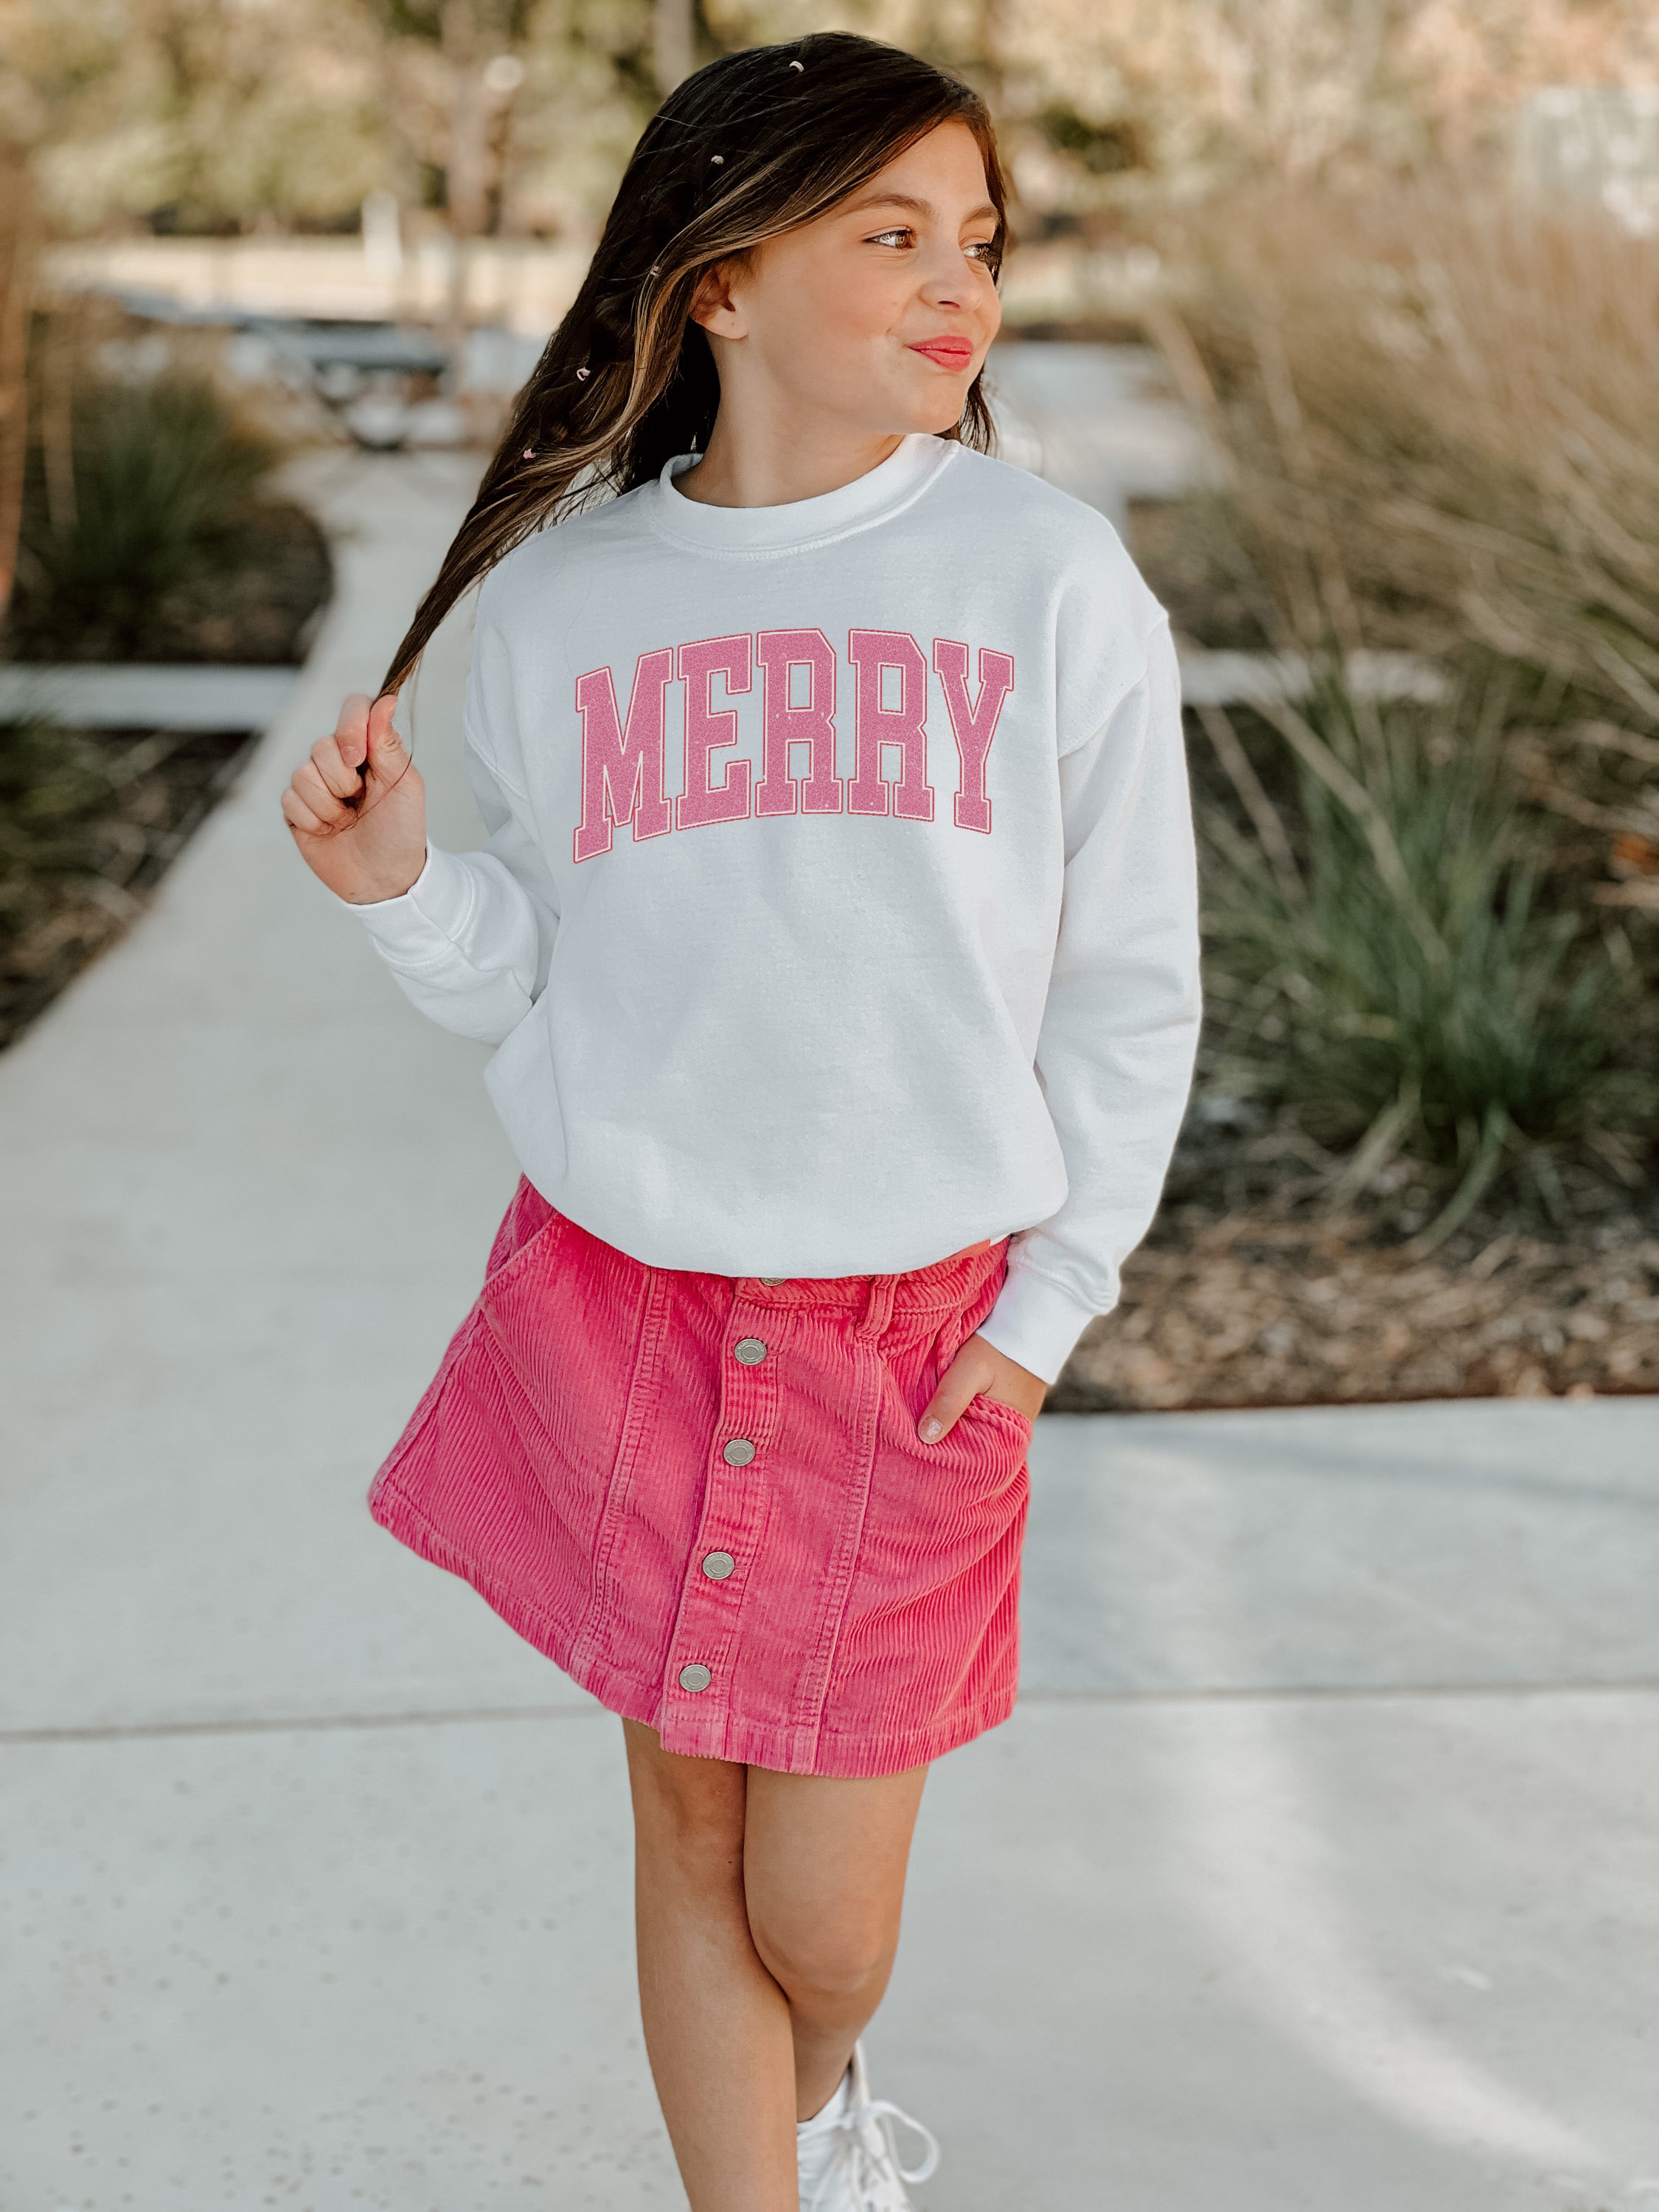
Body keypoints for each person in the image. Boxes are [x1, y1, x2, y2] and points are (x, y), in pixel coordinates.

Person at [280, 30, 1199, 2211]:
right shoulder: (569, 607)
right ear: (719, 280)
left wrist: (1044, 1313)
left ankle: (818, 2089)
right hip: (624, 1302)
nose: (953, 283)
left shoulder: (1044, 579)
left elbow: (1129, 984)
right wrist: (406, 885)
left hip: (914, 1334)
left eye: (974, 239)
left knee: (827, 1926)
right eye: (889, 234)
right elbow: (541, 968)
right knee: (684, 1832)